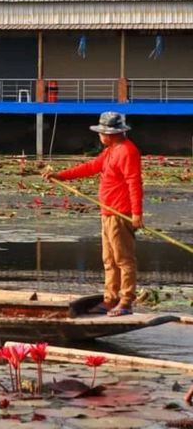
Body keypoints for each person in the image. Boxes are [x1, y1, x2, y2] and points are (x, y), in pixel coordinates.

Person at [42, 112, 143, 317]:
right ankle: (110, 298)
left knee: (123, 259)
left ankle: (126, 301)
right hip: (107, 213)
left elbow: (134, 183)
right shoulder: (110, 151)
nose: (99, 136)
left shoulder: (127, 151)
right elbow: (91, 167)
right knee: (109, 259)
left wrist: (136, 213)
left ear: (110, 134)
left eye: (101, 133)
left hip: (120, 213)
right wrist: (60, 175)